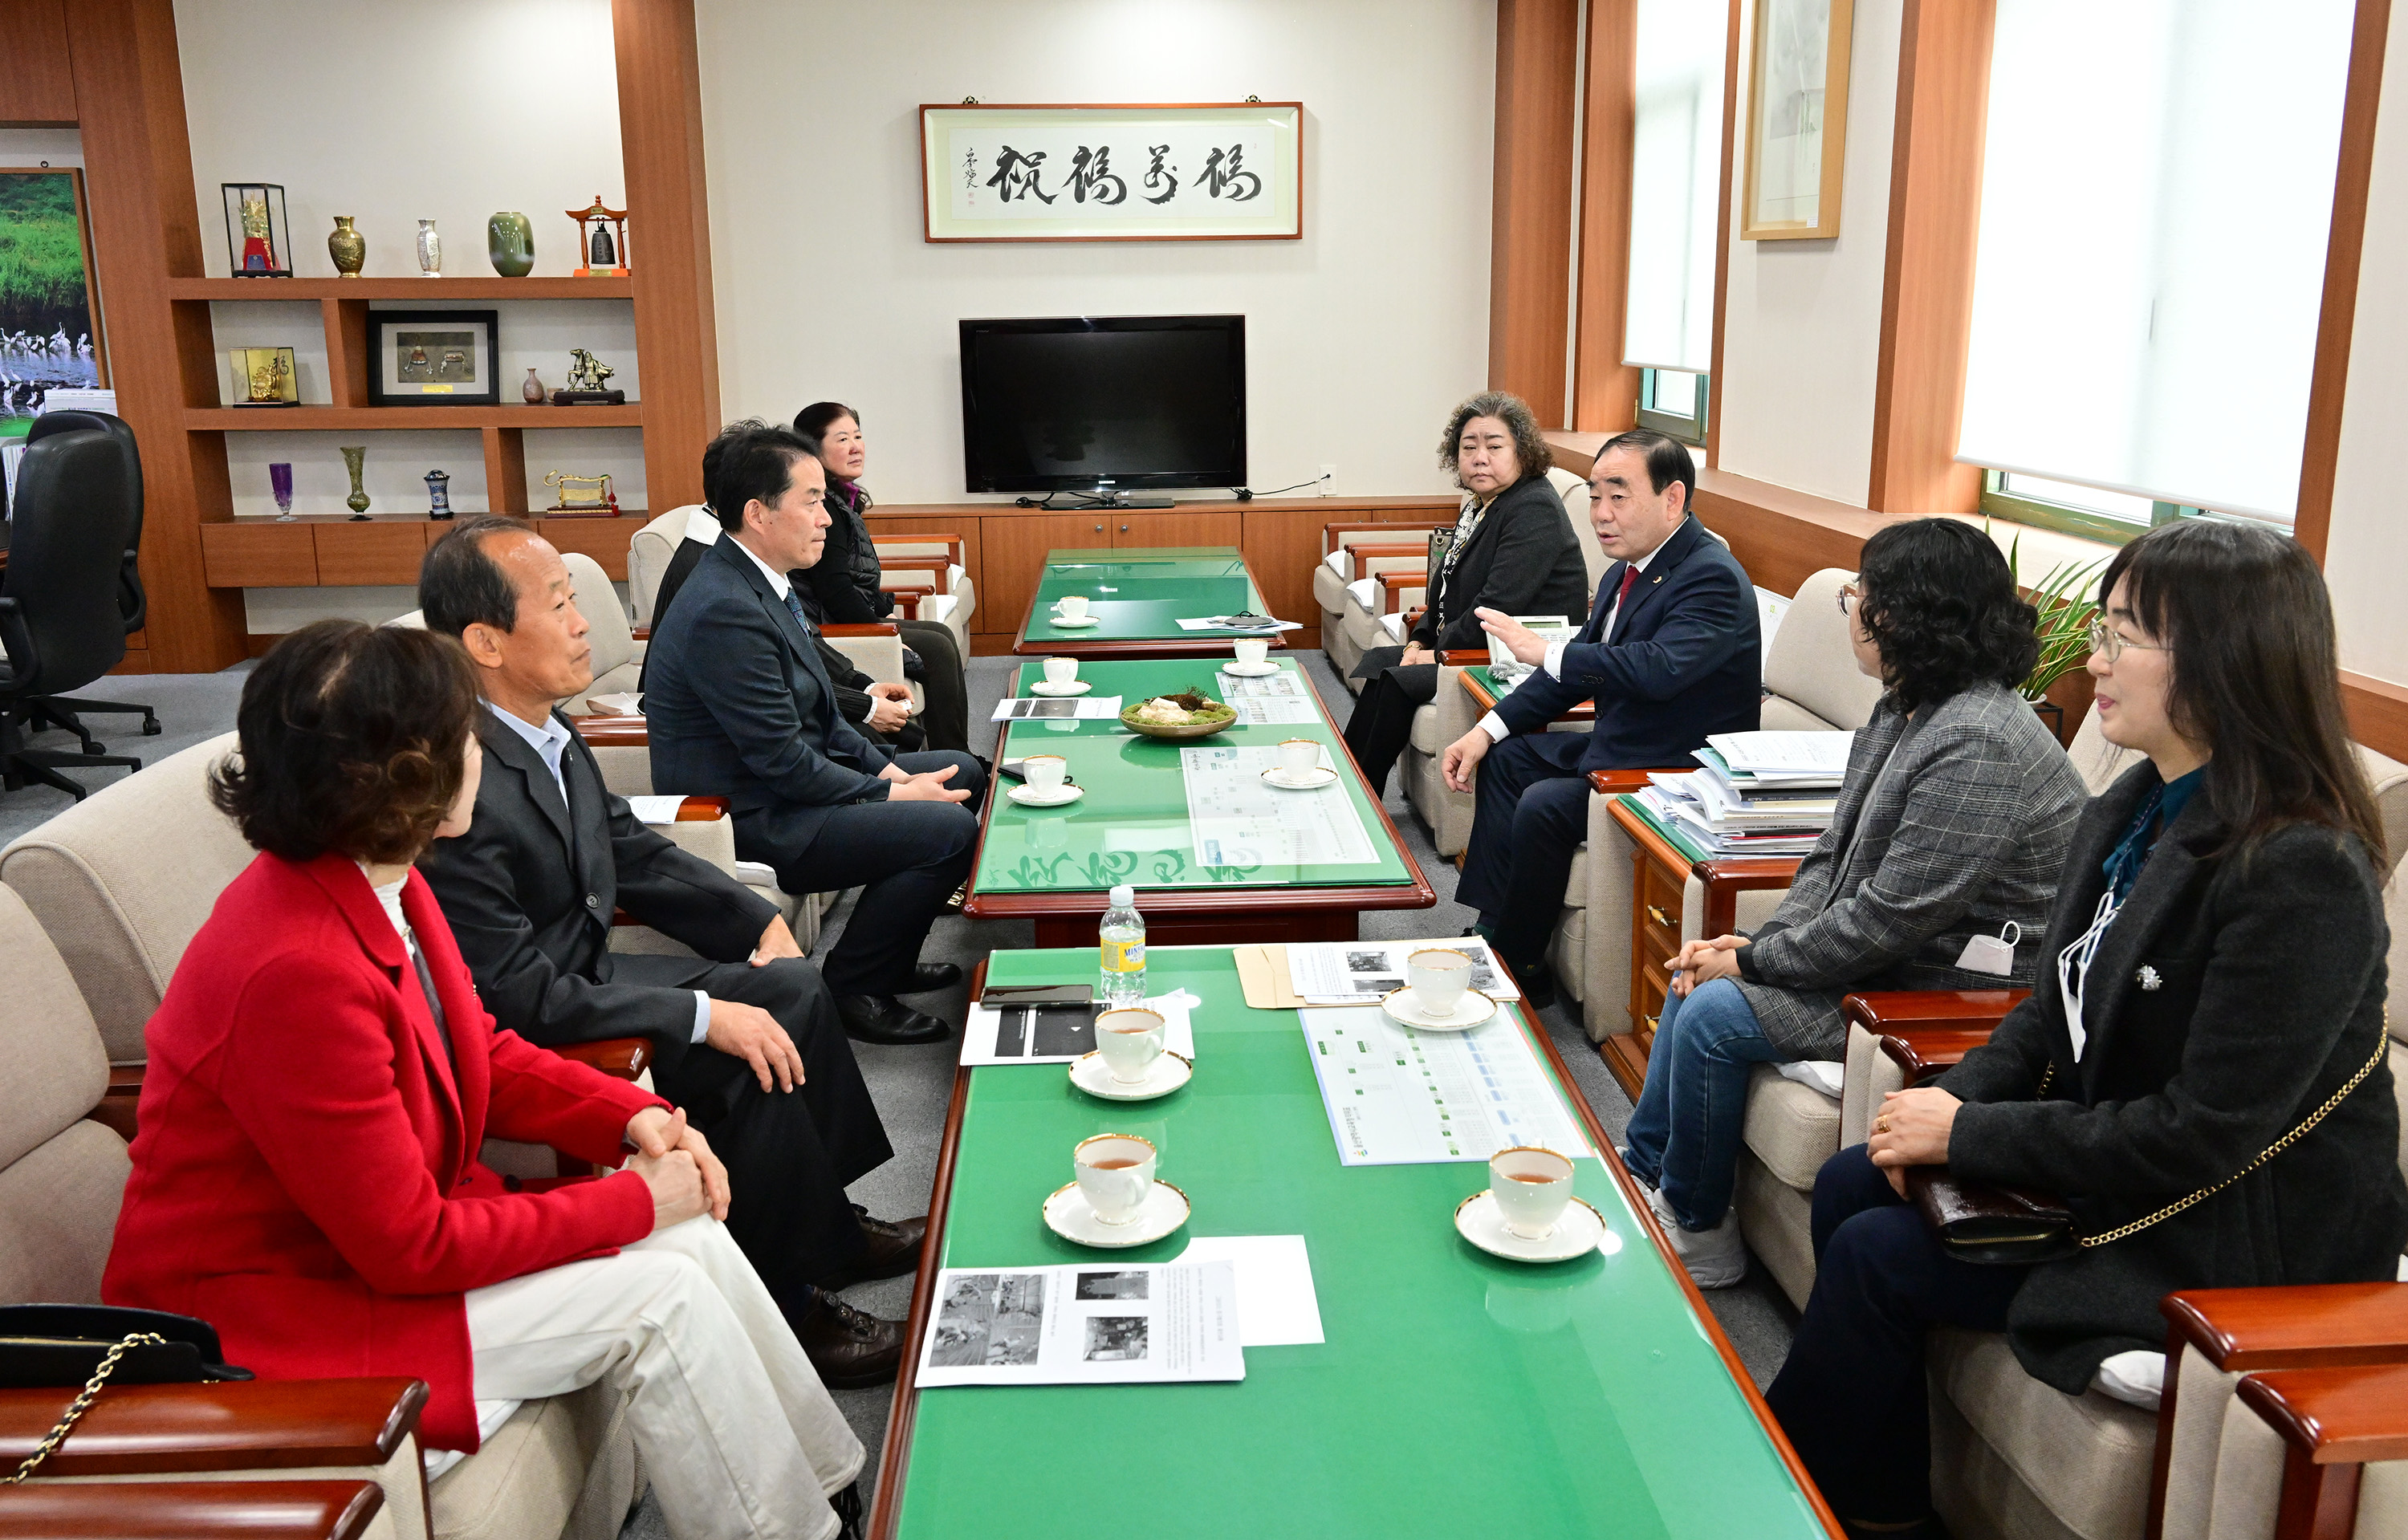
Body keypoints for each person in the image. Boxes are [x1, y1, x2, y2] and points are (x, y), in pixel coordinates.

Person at [103, 620, 868, 1540]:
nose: (482, 747)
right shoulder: (293, 968)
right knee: (659, 1290)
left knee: (695, 1241)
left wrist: (634, 1118)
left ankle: (827, 1489)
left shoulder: (386, 879)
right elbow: (409, 1246)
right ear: (403, 773)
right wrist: (634, 1203)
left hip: (362, 1259)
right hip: (284, 1313)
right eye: (462, 731)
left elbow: (482, 1051)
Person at [1766, 520, 2408, 1538]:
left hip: (2232, 1220)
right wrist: (1956, 1096)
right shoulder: (2134, 806)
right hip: (2126, 1159)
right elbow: (2047, 1006)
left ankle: (1770, 1499)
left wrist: (1971, 1137)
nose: (2092, 658)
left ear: (2222, 657)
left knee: (1876, 1256)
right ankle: (1881, 1504)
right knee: (1855, 1177)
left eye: (2121, 634)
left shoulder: (2300, 869)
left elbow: (2203, 1132)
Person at [413, 518, 925, 1387]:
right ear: (485, 640)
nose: (585, 624)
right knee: (741, 1040)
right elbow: (511, 996)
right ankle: (794, 1303)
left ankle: (828, 1229)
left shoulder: (546, 728)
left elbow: (634, 852)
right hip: (541, 1019)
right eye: (564, 604)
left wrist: (748, 918)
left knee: (794, 983)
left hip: (586, 974)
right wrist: (701, 1009)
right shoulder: (457, 781)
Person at [1623, 519, 2085, 1288]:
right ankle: (1645, 1170)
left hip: (1942, 995)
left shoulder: (1979, 743)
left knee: (1713, 1013)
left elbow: (1889, 917)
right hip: (1889, 959)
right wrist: (1750, 945)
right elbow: (1832, 857)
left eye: (1858, 593)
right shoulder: (1906, 704)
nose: (1851, 606)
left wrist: (1759, 958)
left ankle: (1700, 1231)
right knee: (1700, 970)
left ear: (1903, 614)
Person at [645, 421, 987, 1044]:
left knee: (963, 770)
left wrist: (889, 773)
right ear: (757, 512)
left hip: (787, 788)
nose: (827, 516)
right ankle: (856, 984)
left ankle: (890, 958)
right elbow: (782, 761)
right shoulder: (724, 606)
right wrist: (894, 795)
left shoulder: (762, 581)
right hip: (750, 813)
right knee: (948, 828)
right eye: (811, 500)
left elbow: (826, 716)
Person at [1441, 429, 1761, 1006]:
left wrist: (1547, 651)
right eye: (1594, 496)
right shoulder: (1624, 569)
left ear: (1673, 499)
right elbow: (1573, 674)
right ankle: (1498, 929)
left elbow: (1658, 668)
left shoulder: (1711, 575)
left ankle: (1519, 962)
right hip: (1621, 743)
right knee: (1507, 756)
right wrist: (1485, 730)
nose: (1601, 514)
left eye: (1619, 496)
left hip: (1672, 773)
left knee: (1542, 804)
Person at [1340, 391, 1588, 796]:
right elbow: (1445, 582)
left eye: (1494, 447)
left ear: (1522, 452)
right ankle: (1352, 784)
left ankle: (1358, 795)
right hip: (1473, 640)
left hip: (1512, 655)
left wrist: (1436, 652)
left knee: (1397, 678)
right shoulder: (1481, 502)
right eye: (1468, 447)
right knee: (1382, 666)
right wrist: (1421, 636)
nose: (1479, 457)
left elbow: (1498, 605)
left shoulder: (1533, 508)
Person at [792, 401, 971, 754]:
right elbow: (835, 591)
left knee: (939, 634)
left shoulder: (841, 500)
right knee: (935, 647)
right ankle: (951, 754)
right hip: (832, 625)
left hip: (843, 616)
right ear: (813, 448)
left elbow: (854, 580)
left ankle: (954, 750)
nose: (856, 446)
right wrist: (882, 630)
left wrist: (882, 614)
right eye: (842, 439)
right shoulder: (824, 507)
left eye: (858, 436)